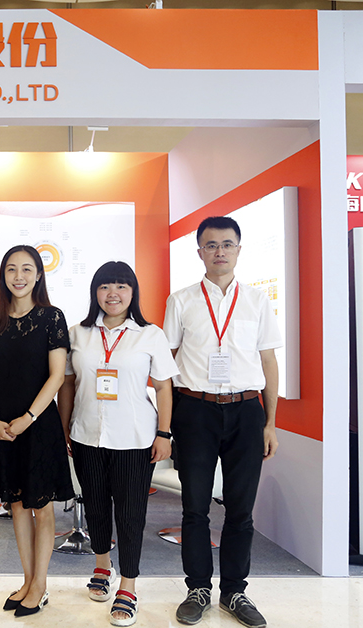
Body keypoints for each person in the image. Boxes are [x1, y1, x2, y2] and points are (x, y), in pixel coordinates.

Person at [163, 216, 280, 628]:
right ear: (199, 252)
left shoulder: (257, 301)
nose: (219, 252)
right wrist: (166, 422)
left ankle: (234, 590)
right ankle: (197, 588)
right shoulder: (181, 300)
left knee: (240, 508)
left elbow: (268, 361)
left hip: (247, 411)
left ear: (238, 250)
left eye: (227, 244)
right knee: (194, 507)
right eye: (211, 245)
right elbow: (166, 363)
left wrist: (270, 423)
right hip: (195, 410)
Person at [58, 261, 178, 627]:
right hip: (86, 434)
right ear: (94, 292)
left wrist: (164, 434)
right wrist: (64, 428)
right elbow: (67, 384)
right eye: (105, 286)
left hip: (135, 438)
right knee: (94, 506)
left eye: (122, 286)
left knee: (130, 513)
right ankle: (101, 565)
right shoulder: (78, 334)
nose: (113, 293)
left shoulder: (150, 334)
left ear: (133, 292)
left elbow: (164, 387)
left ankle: (128, 585)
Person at [0, 244, 74, 617]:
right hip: (2, 424)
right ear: (3, 275)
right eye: (12, 269)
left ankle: (41, 585)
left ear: (38, 275)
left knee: (42, 507)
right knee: (16, 504)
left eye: (27, 269)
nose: (19, 276)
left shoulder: (52, 317)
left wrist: (29, 417)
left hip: (38, 423)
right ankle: (27, 580)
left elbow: (57, 376)